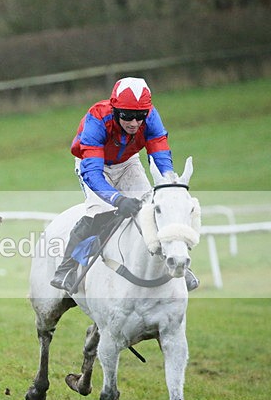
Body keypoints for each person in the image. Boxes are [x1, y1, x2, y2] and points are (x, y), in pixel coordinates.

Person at [50, 76, 199, 293]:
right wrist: (118, 200)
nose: (134, 123)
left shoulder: (151, 118)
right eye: (127, 116)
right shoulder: (97, 118)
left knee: (150, 207)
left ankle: (176, 264)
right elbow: (92, 173)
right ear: (115, 110)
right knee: (101, 212)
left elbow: (160, 154)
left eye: (140, 116)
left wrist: (168, 182)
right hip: (94, 164)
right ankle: (66, 268)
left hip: (128, 162)